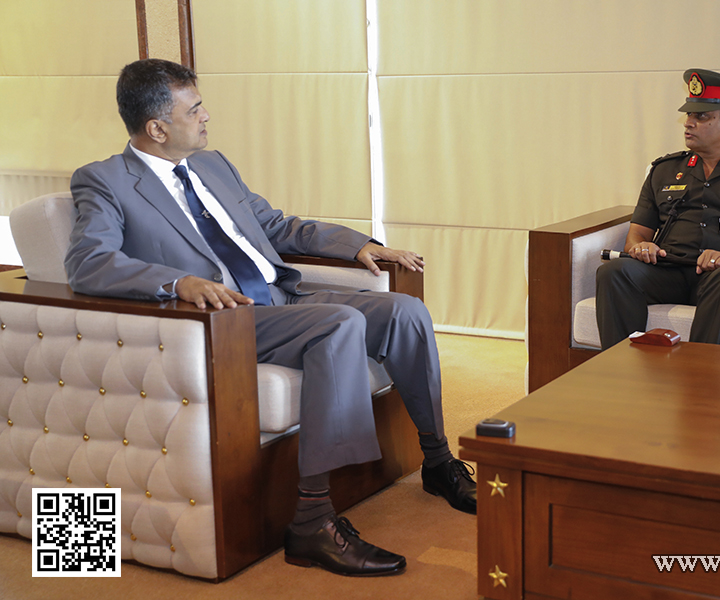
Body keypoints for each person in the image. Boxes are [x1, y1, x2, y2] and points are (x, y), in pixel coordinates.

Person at [64, 58, 476, 577]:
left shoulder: (213, 166)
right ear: (157, 128)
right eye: (195, 109)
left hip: (283, 301)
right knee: (339, 325)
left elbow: (277, 226)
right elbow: (87, 263)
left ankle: (438, 461)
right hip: (224, 322)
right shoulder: (104, 181)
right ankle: (312, 521)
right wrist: (178, 283)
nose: (207, 115)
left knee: (406, 312)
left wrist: (359, 245)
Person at [595, 69, 720, 348]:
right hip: (670, 272)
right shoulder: (663, 170)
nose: (689, 123)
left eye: (701, 117)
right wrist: (641, 247)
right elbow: (636, 234)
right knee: (614, 272)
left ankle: (700, 379)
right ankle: (622, 369)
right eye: (689, 115)